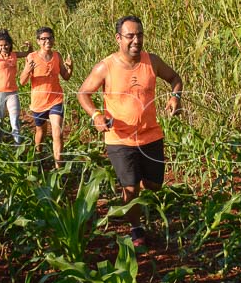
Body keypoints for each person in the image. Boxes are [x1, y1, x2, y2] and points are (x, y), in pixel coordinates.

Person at [77, 16, 182, 250]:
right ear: (118, 39)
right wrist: (96, 115)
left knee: (154, 184)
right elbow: (83, 93)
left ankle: (132, 193)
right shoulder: (106, 66)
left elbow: (175, 78)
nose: (136, 40)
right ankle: (136, 228)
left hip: (151, 135)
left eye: (140, 35)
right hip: (120, 138)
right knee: (131, 187)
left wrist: (176, 97)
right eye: (130, 36)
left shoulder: (152, 61)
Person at [20, 26, 73, 167]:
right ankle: (38, 155)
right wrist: (26, 70)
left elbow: (66, 77)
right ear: (38, 41)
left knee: (57, 133)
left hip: (56, 100)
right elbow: (22, 81)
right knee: (40, 132)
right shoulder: (31, 57)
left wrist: (70, 68)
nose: (47, 41)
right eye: (43, 39)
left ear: (53, 39)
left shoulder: (57, 56)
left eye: (49, 38)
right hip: (38, 102)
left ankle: (59, 168)